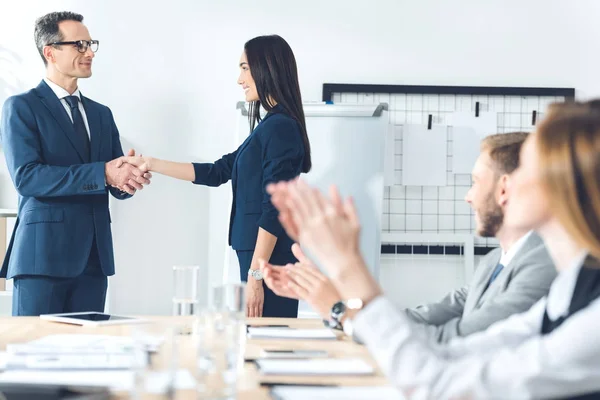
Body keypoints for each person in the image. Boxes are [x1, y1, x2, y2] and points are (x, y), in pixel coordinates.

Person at [267, 101, 600, 399]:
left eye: (525, 167)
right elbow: (453, 353)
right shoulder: (568, 289)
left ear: (566, 184)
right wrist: (345, 305)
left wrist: (348, 270)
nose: (509, 183)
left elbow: (438, 385)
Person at [261, 132, 556, 343]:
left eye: (475, 182)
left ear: (504, 189)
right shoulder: (495, 261)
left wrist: (340, 301)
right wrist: (339, 302)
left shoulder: (542, 264)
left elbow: (452, 340)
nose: (468, 197)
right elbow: (422, 318)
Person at [122, 35, 311, 318]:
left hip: (267, 262)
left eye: (245, 68)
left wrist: (257, 275)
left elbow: (275, 207)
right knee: (257, 343)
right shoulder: (270, 126)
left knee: (267, 344)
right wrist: (150, 163)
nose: (239, 79)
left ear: (266, 67)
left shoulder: (279, 127)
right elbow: (217, 171)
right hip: (260, 258)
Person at [0, 11, 150, 316]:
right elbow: (27, 177)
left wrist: (129, 178)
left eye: (91, 44)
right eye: (79, 45)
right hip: (41, 257)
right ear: (50, 52)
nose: (90, 52)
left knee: (88, 355)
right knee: (33, 355)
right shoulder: (21, 107)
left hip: (94, 260)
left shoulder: (100, 114)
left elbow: (112, 180)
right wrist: (105, 172)